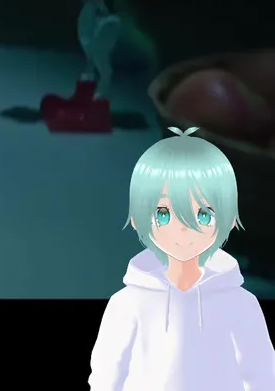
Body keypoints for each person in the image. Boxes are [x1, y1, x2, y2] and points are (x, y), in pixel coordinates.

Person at [89, 126, 275, 390]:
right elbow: (107, 374)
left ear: (230, 220)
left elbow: (260, 373)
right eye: (164, 214)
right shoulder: (127, 304)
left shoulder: (241, 305)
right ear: (137, 219)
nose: (183, 229)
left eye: (203, 215)